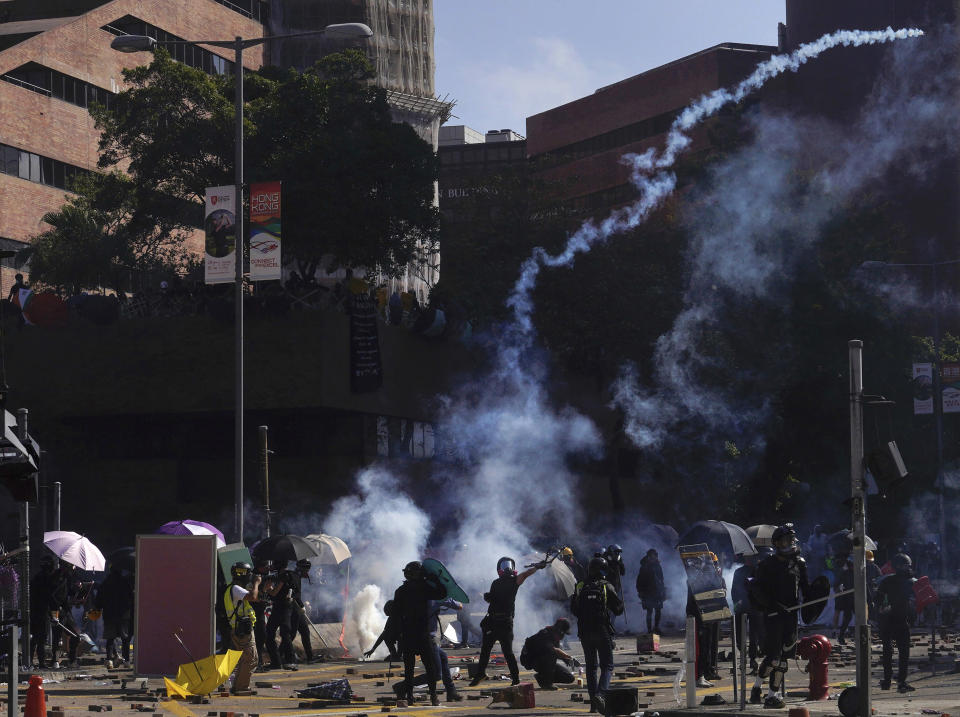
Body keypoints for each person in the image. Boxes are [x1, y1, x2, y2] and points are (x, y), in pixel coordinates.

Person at [749, 523, 809, 709]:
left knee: (783, 660)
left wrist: (816, 596)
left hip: (791, 617)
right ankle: (759, 689)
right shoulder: (767, 565)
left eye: (791, 539)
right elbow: (758, 591)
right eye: (785, 540)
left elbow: (806, 588)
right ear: (776, 543)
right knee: (773, 658)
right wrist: (774, 605)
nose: (790, 543)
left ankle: (771, 695)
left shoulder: (799, 563)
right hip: (773, 616)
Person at [469, 556, 545, 687]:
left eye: (509, 565)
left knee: (508, 653)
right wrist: (488, 597)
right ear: (500, 569)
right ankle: (480, 674)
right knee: (485, 650)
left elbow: (526, 574)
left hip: (505, 622)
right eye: (505, 566)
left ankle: (515, 679)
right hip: (493, 621)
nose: (508, 568)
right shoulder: (496, 583)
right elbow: (493, 599)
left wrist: (537, 567)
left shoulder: (514, 581)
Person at [571, 556, 624, 714]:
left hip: (584, 631)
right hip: (601, 630)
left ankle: (593, 704)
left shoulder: (580, 585)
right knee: (607, 665)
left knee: (591, 667)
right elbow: (618, 610)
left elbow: (574, 609)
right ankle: (601, 694)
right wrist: (620, 603)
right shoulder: (606, 586)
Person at [392, 560, 447, 706]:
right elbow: (442, 593)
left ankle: (409, 697)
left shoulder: (400, 591)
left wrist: (397, 636)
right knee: (430, 668)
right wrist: (434, 579)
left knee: (408, 669)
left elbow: (395, 615)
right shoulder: (424, 588)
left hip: (408, 634)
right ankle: (434, 697)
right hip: (423, 634)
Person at [391, 597, 464, 702]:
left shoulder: (411, 594)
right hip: (426, 639)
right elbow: (459, 606)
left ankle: (451, 691)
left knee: (442, 656)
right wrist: (450, 595)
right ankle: (402, 687)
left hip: (410, 637)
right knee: (435, 674)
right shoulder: (435, 596)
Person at [876, 553, 916, 693]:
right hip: (899, 621)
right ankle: (901, 682)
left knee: (888, 652)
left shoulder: (886, 581)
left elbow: (878, 600)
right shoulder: (911, 582)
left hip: (887, 621)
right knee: (902, 653)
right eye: (906, 565)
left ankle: (887, 681)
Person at [686, 553, 723, 685]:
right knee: (701, 647)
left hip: (712, 614)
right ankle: (700, 675)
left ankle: (708, 670)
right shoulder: (696, 578)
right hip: (699, 615)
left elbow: (721, 592)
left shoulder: (716, 578)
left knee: (710, 645)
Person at [224, 562, 261, 694]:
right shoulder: (235, 589)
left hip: (240, 629)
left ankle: (239, 685)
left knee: (246, 659)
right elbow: (253, 597)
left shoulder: (234, 588)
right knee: (251, 658)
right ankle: (241, 687)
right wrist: (257, 583)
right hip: (242, 631)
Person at [520, 618, 577, 689]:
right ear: (558, 630)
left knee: (569, 677)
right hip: (530, 660)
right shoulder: (544, 634)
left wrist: (569, 660)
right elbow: (554, 651)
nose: (563, 637)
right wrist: (568, 656)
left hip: (542, 660)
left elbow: (558, 653)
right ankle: (547, 683)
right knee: (552, 654)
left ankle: (541, 678)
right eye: (563, 633)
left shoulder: (555, 638)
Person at [96, 564, 134, 664]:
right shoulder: (125, 582)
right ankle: (126, 660)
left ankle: (109, 659)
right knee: (125, 638)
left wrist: (98, 608)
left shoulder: (105, 582)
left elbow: (99, 599)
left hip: (109, 615)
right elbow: (131, 598)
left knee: (110, 638)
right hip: (123, 615)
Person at [264, 564, 298, 669]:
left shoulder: (284, 576)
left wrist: (267, 588)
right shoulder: (286, 575)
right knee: (272, 633)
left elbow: (274, 592)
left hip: (282, 608)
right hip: (281, 607)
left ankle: (289, 660)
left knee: (283, 633)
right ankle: (277, 661)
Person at [732, 553, 761, 673]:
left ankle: (753, 659)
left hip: (754, 607)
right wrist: (736, 604)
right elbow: (734, 590)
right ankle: (743, 658)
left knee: (754, 635)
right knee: (740, 635)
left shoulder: (758, 571)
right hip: (742, 606)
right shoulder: (739, 572)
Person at [29, 556, 58, 668]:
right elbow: (50, 598)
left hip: (33, 611)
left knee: (34, 638)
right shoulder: (47, 579)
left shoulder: (36, 578)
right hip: (43, 612)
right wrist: (54, 614)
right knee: (41, 639)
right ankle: (41, 662)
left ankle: (29, 661)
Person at [50, 561, 80, 667]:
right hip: (57, 610)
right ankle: (55, 660)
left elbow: (70, 592)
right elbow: (52, 595)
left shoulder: (68, 577)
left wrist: (78, 589)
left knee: (76, 635)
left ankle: (72, 660)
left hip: (66, 611)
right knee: (57, 636)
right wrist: (54, 612)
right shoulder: (56, 577)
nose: (73, 569)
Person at [289, 559, 315, 663]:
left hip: (297, 609)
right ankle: (282, 655)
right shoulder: (294, 577)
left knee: (305, 631)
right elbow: (295, 595)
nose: (307, 573)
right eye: (306, 570)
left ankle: (310, 657)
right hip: (294, 608)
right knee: (291, 634)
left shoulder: (297, 576)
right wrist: (301, 605)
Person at [251, 559, 274, 671]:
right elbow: (254, 597)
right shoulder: (254, 578)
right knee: (258, 638)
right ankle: (256, 663)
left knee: (261, 637)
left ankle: (259, 663)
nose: (267, 569)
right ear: (260, 567)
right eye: (265, 567)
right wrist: (264, 589)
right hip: (253, 613)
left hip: (259, 613)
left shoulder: (261, 577)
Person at [635, 549, 666, 634]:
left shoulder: (657, 565)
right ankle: (649, 630)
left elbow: (661, 579)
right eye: (651, 556)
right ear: (648, 557)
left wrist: (663, 590)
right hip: (648, 592)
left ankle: (656, 627)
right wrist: (640, 591)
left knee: (658, 610)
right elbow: (639, 581)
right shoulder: (644, 567)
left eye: (655, 555)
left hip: (657, 592)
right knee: (649, 611)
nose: (653, 557)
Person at [834, 557, 854, 644]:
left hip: (856, 598)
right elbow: (836, 586)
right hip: (847, 600)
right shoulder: (844, 574)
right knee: (848, 617)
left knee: (861, 617)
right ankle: (841, 636)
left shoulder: (858, 573)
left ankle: (861, 636)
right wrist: (839, 588)